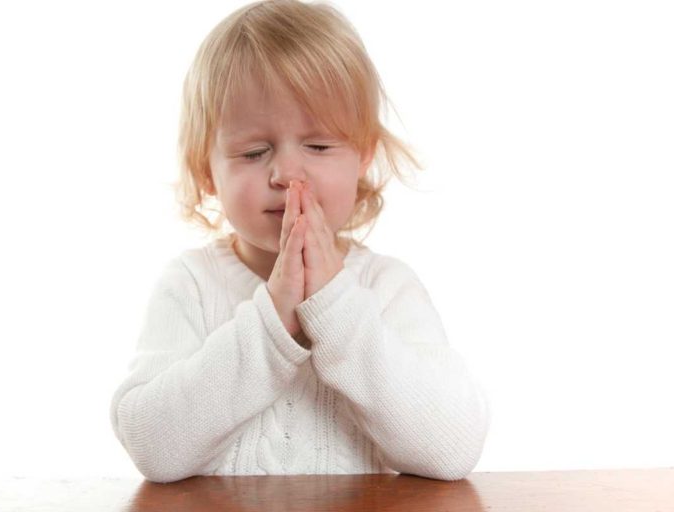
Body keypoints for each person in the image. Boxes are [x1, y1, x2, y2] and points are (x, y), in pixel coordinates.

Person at [109, 0, 490, 483]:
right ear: (208, 171)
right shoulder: (191, 285)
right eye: (253, 151)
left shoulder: (386, 286)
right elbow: (152, 448)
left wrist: (336, 309)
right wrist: (273, 323)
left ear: (363, 156)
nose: (287, 174)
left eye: (318, 146)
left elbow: (451, 449)